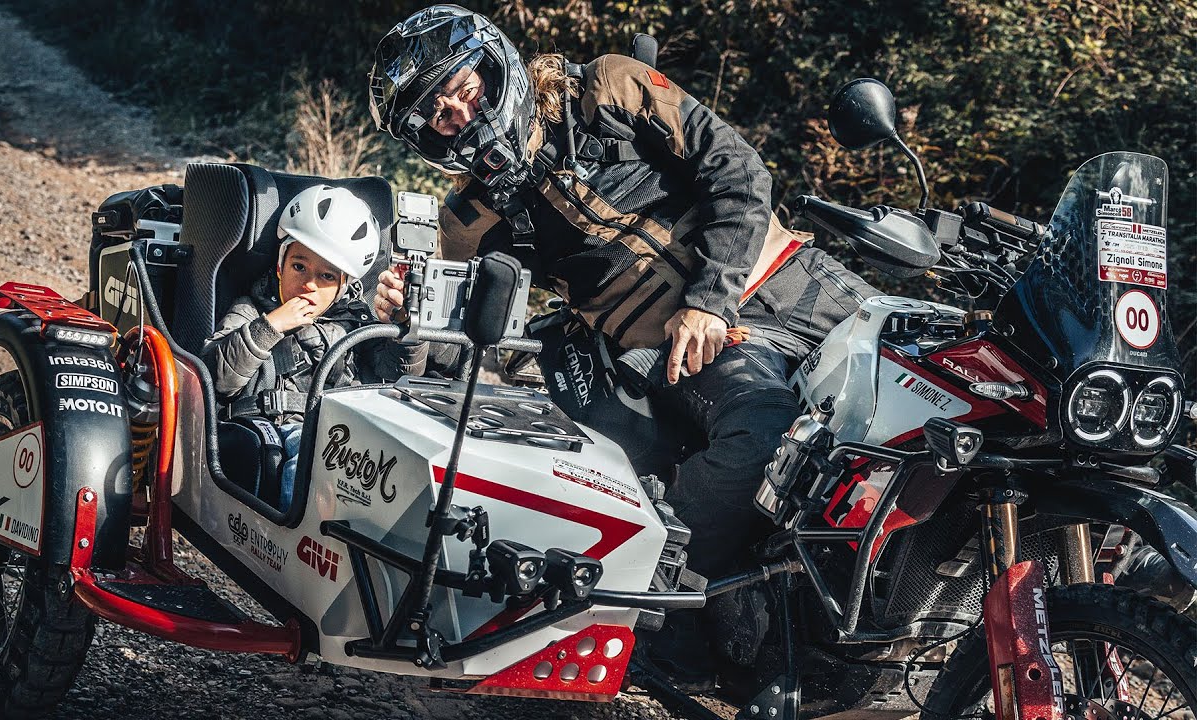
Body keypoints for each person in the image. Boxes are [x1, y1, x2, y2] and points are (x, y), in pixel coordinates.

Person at [367, 5, 876, 678]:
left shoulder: (606, 86)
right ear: (425, 136)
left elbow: (738, 168)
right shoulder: (470, 221)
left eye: (465, 90)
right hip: (694, 349)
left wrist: (708, 298)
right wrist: (403, 312)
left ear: (494, 65)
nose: (463, 116)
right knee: (762, 435)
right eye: (441, 116)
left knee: (945, 376)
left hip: (796, 279)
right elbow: (445, 359)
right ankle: (668, 614)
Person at [204, 184, 426, 511]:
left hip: (348, 434)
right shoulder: (251, 310)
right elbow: (215, 377)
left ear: (342, 286)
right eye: (299, 267)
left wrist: (407, 331)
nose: (309, 284)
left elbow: (394, 378)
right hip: (284, 428)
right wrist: (271, 326)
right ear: (280, 266)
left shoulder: (357, 322)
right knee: (308, 459)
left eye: (325, 276)